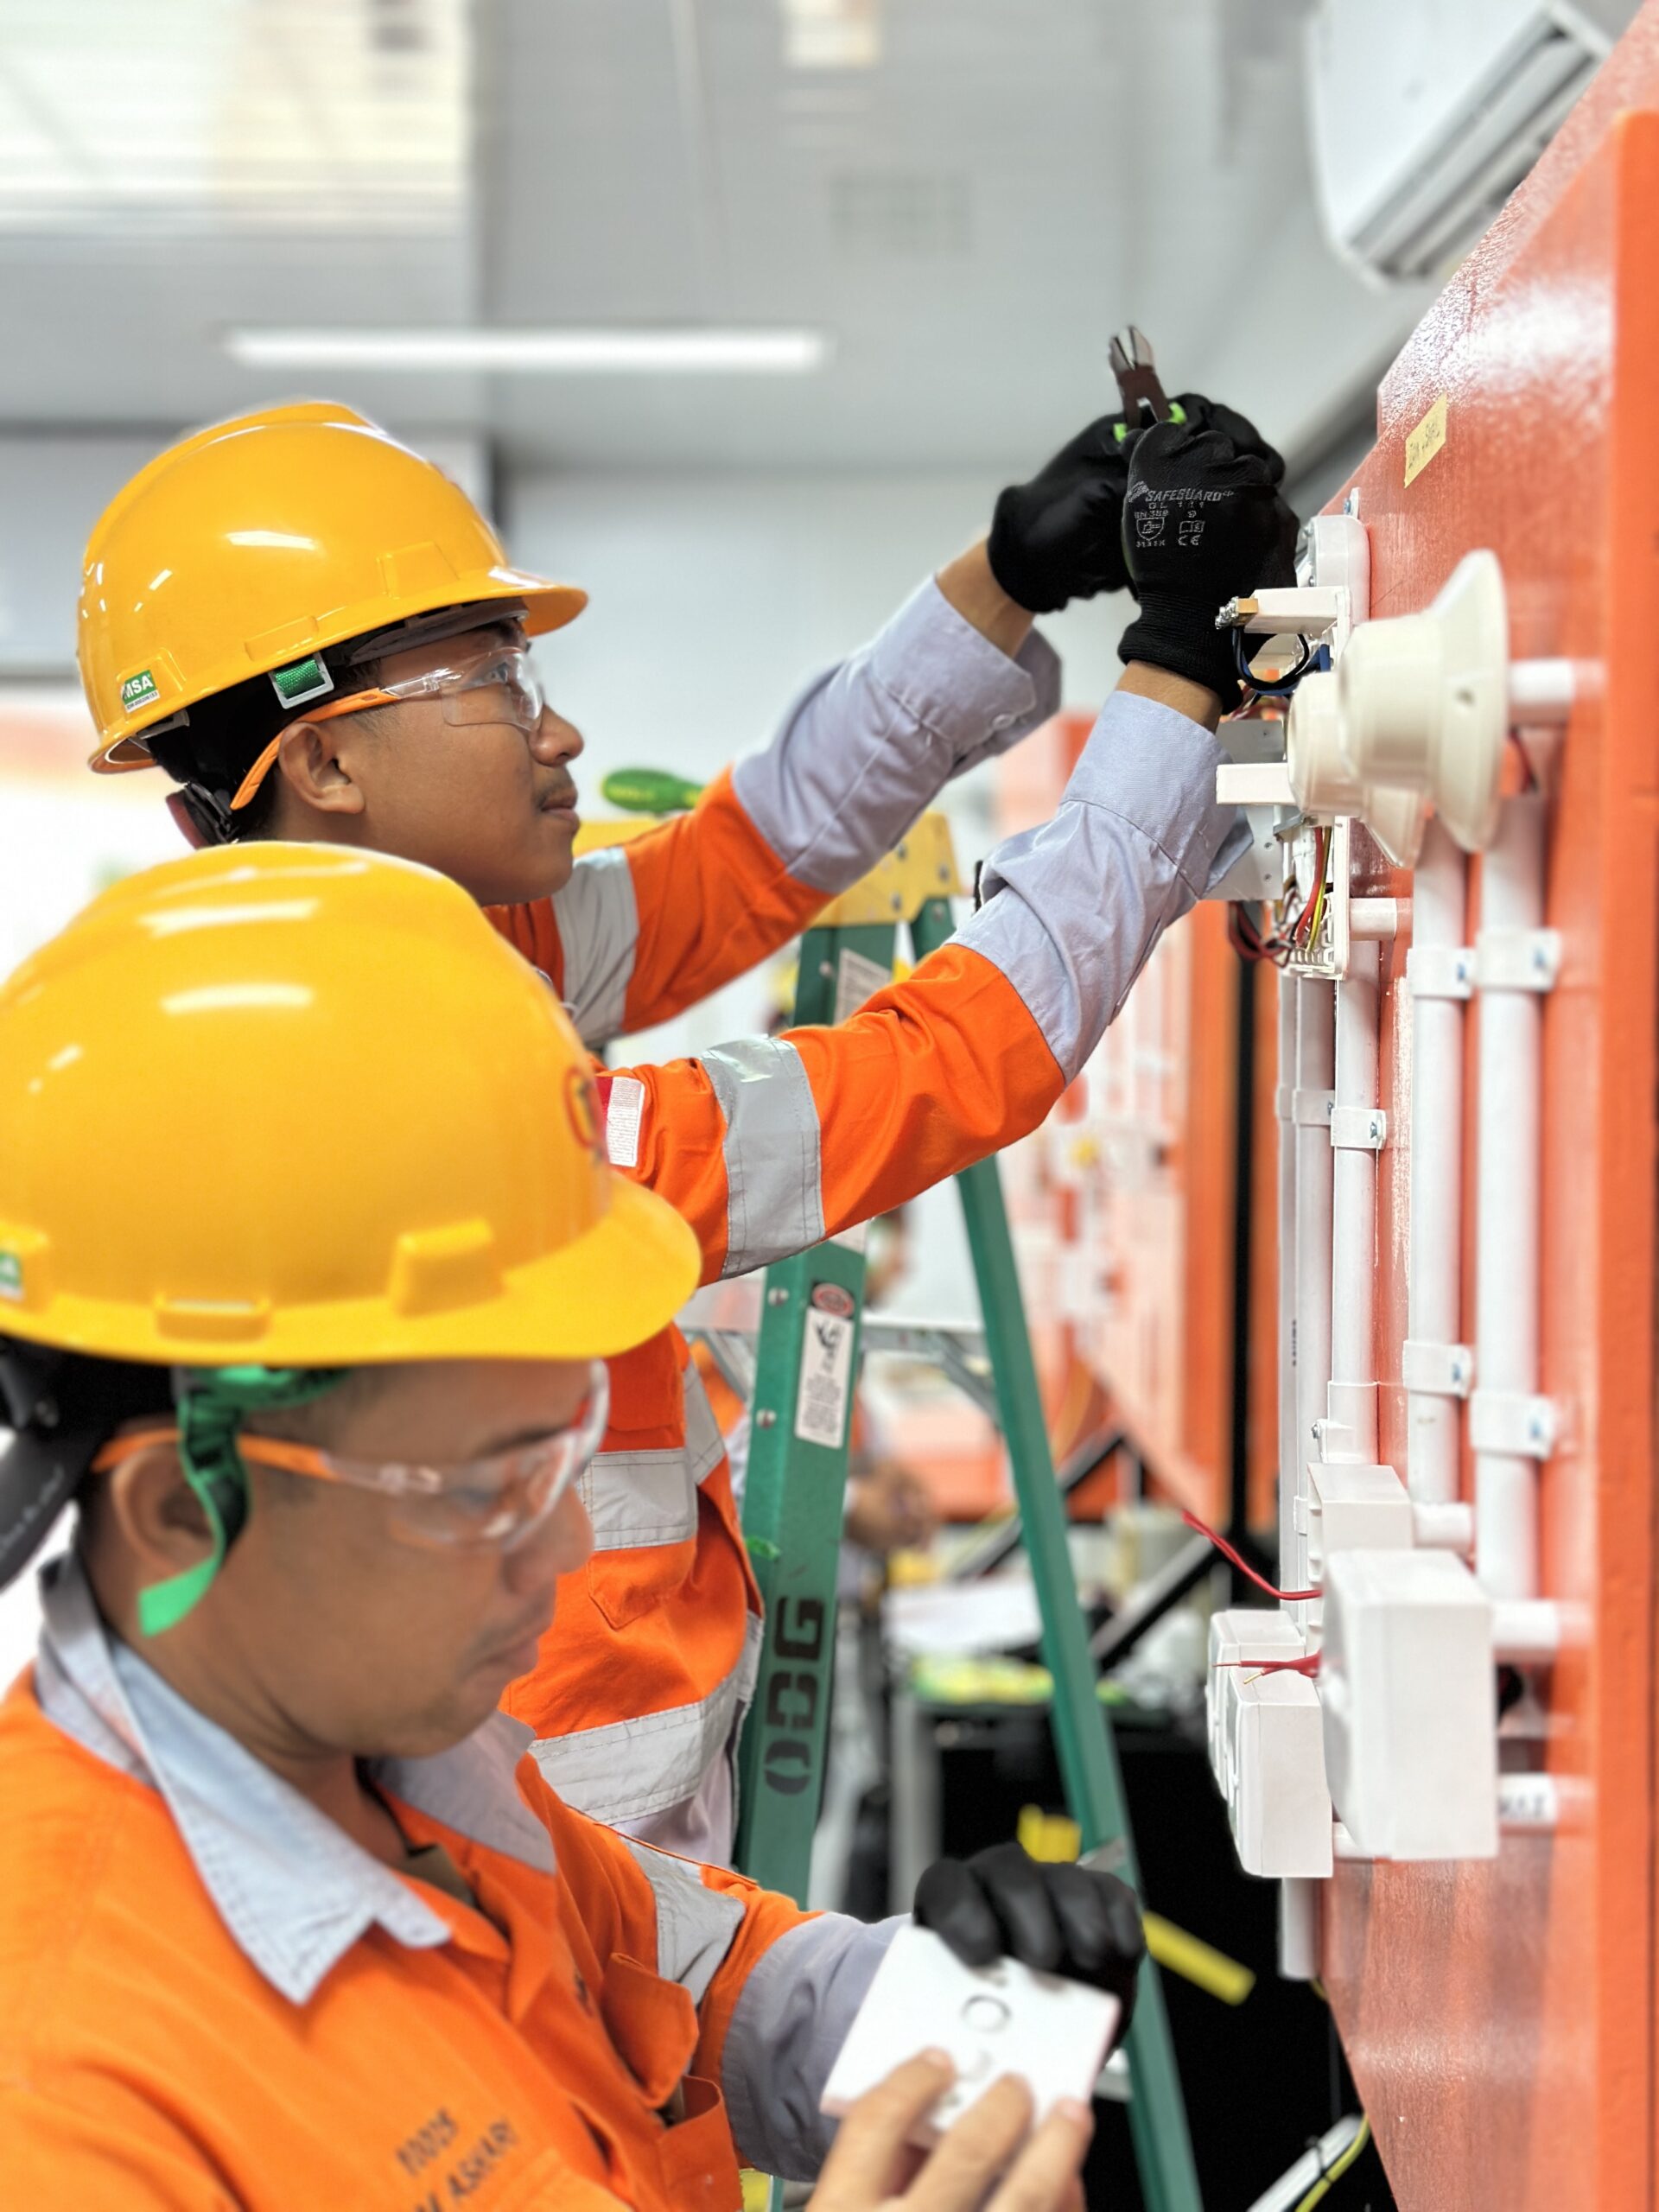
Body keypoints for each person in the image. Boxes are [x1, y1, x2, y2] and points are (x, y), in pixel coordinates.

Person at [76, 402, 1294, 1859]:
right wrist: (1170, 680)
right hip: (560, 1847)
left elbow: (748, 854)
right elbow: (955, 1061)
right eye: (497, 678)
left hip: (592, 1799)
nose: (560, 727)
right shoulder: (390, 1107)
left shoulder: (427, 955)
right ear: (325, 765)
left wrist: (1011, 570)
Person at [0, 842, 1146, 2209]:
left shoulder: (430, 1778)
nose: (559, 1559)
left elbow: (701, 1980)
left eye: (566, 1458)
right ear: (184, 1509)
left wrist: (943, 2011)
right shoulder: (70, 2100)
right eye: (489, 1487)